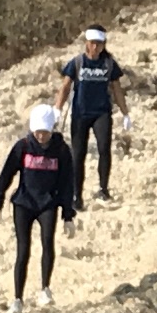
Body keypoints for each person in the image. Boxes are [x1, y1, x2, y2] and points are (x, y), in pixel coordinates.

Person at [0, 102, 81, 303]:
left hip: (48, 203)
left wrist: (68, 214)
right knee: (23, 250)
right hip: (24, 203)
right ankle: (17, 298)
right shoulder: (23, 147)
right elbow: (6, 174)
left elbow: (67, 183)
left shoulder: (61, 150)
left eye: (45, 132)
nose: (41, 136)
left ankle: (45, 289)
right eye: (38, 132)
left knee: (47, 242)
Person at [58, 28, 125, 199]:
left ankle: (103, 189)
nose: (95, 47)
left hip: (101, 112)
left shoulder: (109, 64)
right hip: (80, 113)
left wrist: (125, 113)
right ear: (87, 43)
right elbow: (65, 86)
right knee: (78, 153)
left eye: (99, 44)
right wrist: (57, 108)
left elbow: (117, 89)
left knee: (104, 148)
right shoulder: (77, 62)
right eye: (92, 43)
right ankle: (76, 194)